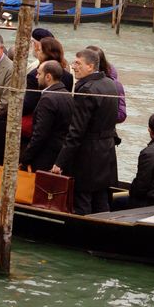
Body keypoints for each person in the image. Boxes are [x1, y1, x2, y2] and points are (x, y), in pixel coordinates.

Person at [51, 48, 119, 214]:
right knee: (101, 198)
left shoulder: (86, 90)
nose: (73, 67)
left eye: (78, 63)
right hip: (106, 152)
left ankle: (83, 236)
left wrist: (60, 162)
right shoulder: (110, 84)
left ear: (90, 66)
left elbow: (76, 131)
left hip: (88, 156)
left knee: (82, 200)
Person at [21, 60, 73, 172]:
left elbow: (40, 134)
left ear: (48, 77)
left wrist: (25, 159)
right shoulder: (68, 96)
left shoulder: (48, 99)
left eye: (39, 74)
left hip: (44, 158)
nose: (36, 77)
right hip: (59, 156)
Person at [24, 34, 73, 116]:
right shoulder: (68, 76)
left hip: (40, 117)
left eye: (39, 50)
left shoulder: (33, 76)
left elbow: (29, 104)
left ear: (46, 54)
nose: (37, 52)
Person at [86, 45, 127, 124]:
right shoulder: (77, 79)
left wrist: (99, 117)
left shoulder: (115, 85)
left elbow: (122, 114)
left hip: (104, 129)